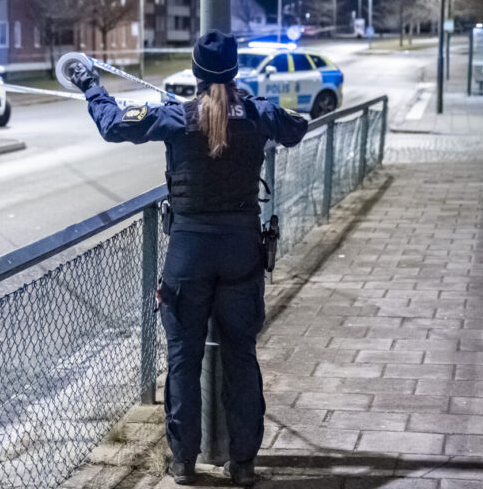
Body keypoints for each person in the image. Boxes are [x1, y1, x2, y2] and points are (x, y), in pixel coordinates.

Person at [70, 30, 308, 486]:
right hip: (241, 250)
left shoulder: (177, 116)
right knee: (242, 356)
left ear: (196, 71)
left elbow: (112, 124)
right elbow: (297, 126)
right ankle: (243, 463)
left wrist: (91, 85)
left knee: (184, 358)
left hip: (188, 252)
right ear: (235, 70)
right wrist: (253, 104)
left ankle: (182, 462)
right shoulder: (256, 113)